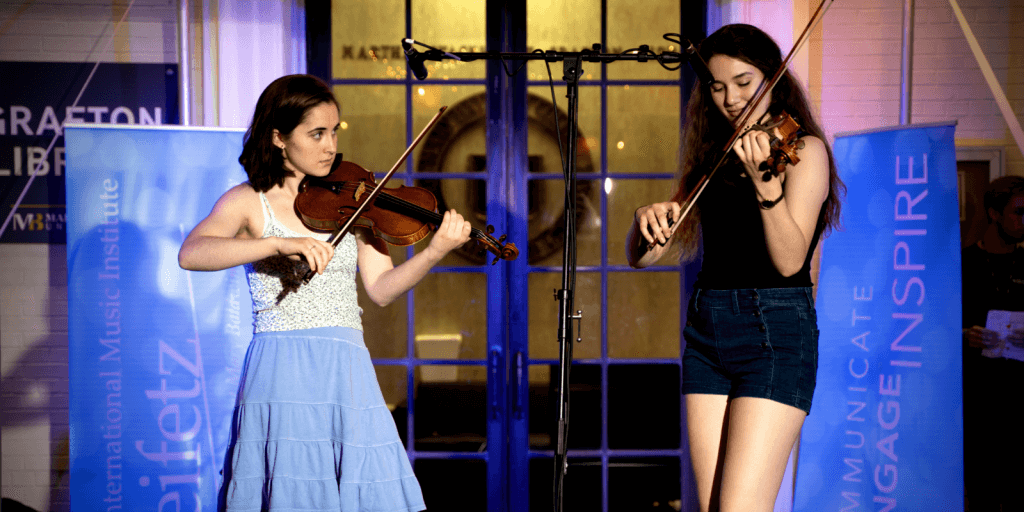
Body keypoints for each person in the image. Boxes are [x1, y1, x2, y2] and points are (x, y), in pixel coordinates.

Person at [178, 74, 471, 512]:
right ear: (279, 137)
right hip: (281, 371)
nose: (330, 145)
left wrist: (435, 252)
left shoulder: (356, 201)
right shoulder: (247, 201)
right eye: (316, 134)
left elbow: (382, 290)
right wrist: (277, 243)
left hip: (346, 368)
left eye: (334, 132)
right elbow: (192, 253)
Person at [625, 24, 844, 511]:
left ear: (774, 77)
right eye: (718, 86)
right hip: (708, 329)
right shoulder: (714, 154)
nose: (729, 98)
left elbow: (790, 262)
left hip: (775, 331)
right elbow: (643, 257)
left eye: (744, 82)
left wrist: (766, 186)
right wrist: (644, 222)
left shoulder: (804, 151)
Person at [961, 175, 1024, 512]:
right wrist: (965, 335)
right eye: (1019, 212)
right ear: (994, 213)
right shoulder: (964, 264)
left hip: (1019, 401)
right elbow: (936, 332)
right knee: (982, 492)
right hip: (978, 401)